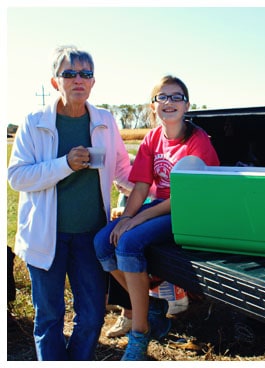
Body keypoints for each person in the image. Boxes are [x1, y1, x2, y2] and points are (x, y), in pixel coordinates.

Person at [7, 45, 133, 360]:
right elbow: (18, 177)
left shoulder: (104, 119)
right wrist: (65, 164)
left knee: (92, 316)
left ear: (93, 82)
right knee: (49, 318)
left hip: (91, 236)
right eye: (70, 73)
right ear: (55, 82)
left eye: (86, 74)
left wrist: (159, 189)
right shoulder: (35, 122)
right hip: (45, 237)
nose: (79, 80)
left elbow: (121, 170)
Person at [94, 75, 220, 360]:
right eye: (162, 97)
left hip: (190, 211)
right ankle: (150, 308)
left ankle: (140, 333)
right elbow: (140, 186)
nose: (169, 102)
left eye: (176, 97)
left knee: (128, 244)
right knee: (102, 242)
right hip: (159, 204)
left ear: (187, 105)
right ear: (153, 106)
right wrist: (127, 216)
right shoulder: (152, 138)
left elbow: (186, 199)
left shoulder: (197, 141)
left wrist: (137, 220)